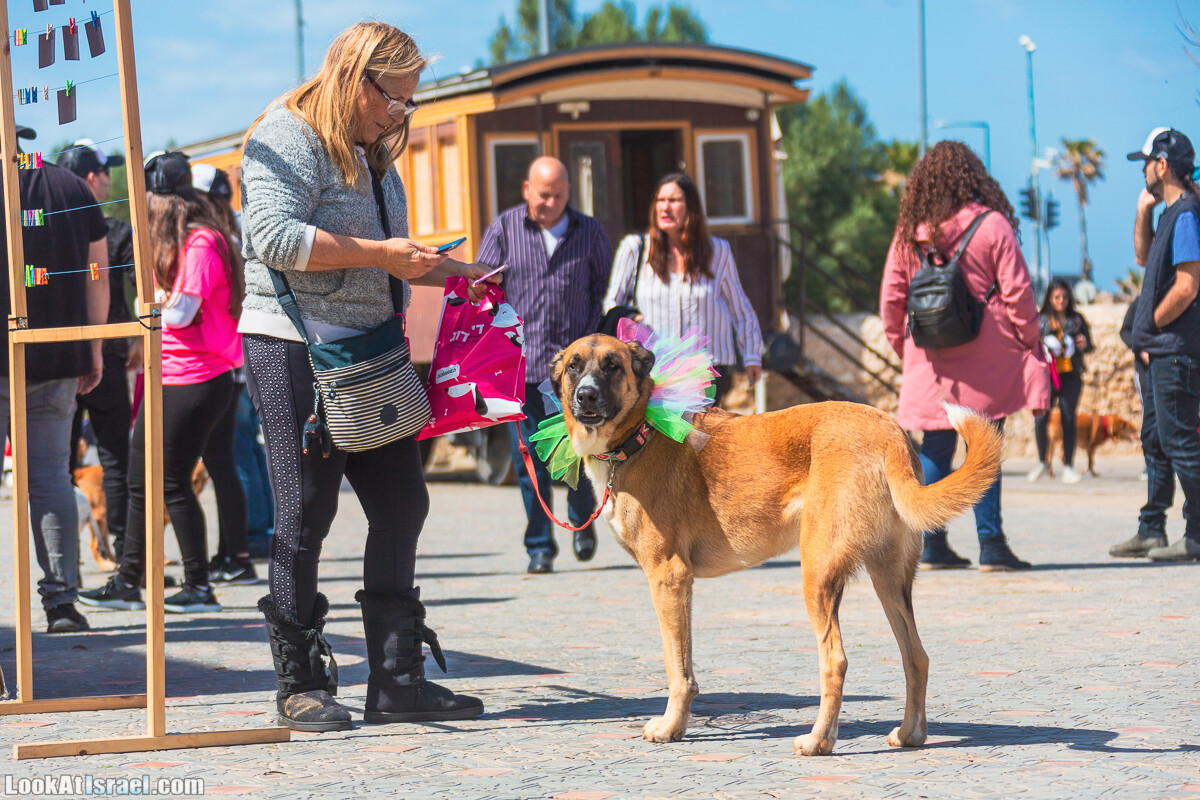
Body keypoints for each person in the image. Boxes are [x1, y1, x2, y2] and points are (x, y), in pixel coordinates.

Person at [238, 22, 490, 731]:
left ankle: (396, 680)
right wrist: (382, 255)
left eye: (410, 103)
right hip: (293, 344)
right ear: (356, 76)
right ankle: (301, 683)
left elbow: (392, 255)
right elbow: (277, 240)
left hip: (370, 352)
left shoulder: (372, 147)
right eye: (395, 99)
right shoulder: (286, 134)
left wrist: (462, 275)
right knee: (304, 514)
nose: (400, 114)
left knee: (404, 504)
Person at [79, 151, 246, 613]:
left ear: (165, 205)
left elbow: (179, 312)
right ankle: (129, 579)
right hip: (169, 375)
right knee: (139, 480)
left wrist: (145, 305)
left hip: (195, 379)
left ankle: (198, 587)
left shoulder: (202, 243)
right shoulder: (186, 241)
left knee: (172, 481)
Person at [880, 140, 1049, 572]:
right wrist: (1031, 341)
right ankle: (991, 545)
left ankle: (932, 544)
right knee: (985, 444)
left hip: (929, 357)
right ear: (973, 178)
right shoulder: (993, 226)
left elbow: (891, 300)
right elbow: (1018, 294)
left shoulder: (909, 233)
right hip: (987, 357)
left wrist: (906, 348)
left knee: (936, 445)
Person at [476, 156, 613, 575]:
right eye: (542, 194)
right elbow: (481, 287)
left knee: (578, 452)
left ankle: (581, 521)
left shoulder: (589, 232)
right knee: (528, 461)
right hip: (523, 367)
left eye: (556, 195)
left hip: (577, 375)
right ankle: (539, 547)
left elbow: (604, 288)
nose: (548, 203)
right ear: (526, 190)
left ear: (567, 193)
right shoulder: (504, 229)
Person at [0, 126, 109, 632]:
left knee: (49, 478)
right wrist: (94, 345)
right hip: (56, 356)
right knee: (50, 479)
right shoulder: (69, 186)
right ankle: (61, 601)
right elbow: (97, 274)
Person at [1110, 128, 1200, 562]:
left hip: (1173, 350)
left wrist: (1151, 323)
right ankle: (1152, 530)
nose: (1143, 171)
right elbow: (1144, 258)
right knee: (1158, 439)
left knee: (1180, 442)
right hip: (1159, 349)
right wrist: (1143, 209)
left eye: (1147, 163)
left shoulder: (1186, 215)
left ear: (1162, 165)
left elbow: (1187, 286)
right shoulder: (1169, 213)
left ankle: (1197, 534)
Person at [603, 172, 763, 406]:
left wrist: (752, 356)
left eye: (674, 200)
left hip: (707, 369)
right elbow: (610, 304)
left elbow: (740, 307)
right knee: (664, 440)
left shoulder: (718, 251)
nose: (665, 207)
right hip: (654, 369)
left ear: (691, 208)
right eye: (660, 200)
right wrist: (630, 317)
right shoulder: (635, 248)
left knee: (697, 439)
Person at [57, 139, 140, 563]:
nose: (109, 181)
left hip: (57, 354)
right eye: (107, 174)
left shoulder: (42, 224)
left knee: (57, 464)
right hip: (107, 351)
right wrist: (140, 339)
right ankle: (127, 559)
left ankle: (61, 563)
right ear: (93, 178)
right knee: (115, 457)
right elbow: (139, 286)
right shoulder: (116, 229)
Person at [190, 161, 265, 584]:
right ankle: (238, 549)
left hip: (223, 362)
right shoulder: (233, 237)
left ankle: (240, 548)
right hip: (237, 360)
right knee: (234, 458)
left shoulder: (213, 242)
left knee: (230, 460)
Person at [1029, 278, 1094, 484]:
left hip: (1071, 376)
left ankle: (1068, 466)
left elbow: (1090, 345)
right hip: (1046, 376)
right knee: (1041, 418)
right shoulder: (1040, 320)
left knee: (1068, 418)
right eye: (1057, 297)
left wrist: (1084, 343)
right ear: (1049, 297)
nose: (1061, 301)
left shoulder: (1077, 319)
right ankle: (1042, 461)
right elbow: (1028, 346)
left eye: (1065, 297)